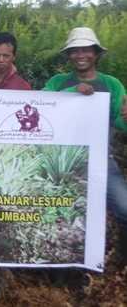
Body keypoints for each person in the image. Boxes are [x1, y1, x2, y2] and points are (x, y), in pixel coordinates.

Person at [42, 27, 127, 261]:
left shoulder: (111, 84)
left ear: (96, 53)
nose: (81, 55)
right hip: (60, 161)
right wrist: (72, 92)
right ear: (69, 55)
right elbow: (41, 105)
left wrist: (126, 118)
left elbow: (120, 122)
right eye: (75, 50)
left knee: (125, 208)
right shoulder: (58, 82)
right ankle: (57, 263)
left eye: (86, 50)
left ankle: (119, 258)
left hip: (101, 160)